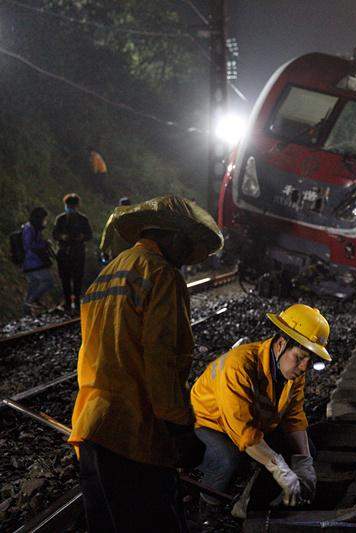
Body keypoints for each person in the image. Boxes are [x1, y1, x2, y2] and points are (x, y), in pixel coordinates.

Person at [69, 195, 223, 532]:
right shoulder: (161, 274)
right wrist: (181, 430)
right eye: (187, 246)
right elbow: (162, 361)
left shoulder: (105, 275)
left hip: (91, 425)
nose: (186, 257)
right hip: (135, 435)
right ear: (174, 236)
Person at [190, 304, 329, 509]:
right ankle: (207, 506)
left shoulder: (293, 373)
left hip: (255, 421)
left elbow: (294, 417)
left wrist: (304, 461)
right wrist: (279, 468)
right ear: (281, 344)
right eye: (300, 358)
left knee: (304, 450)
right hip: (210, 421)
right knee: (227, 457)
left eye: (310, 360)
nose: (304, 368)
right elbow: (244, 432)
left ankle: (251, 506)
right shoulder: (239, 366)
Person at [53, 194, 93, 313]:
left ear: (76, 206)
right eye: (68, 206)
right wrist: (62, 237)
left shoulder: (83, 219)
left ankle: (76, 303)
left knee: (77, 279)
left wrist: (82, 237)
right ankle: (68, 303)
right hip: (64, 253)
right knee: (65, 279)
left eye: (72, 206)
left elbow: (89, 235)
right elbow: (55, 234)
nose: (70, 208)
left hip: (78, 253)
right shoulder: (60, 219)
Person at [21, 207, 55, 315]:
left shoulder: (34, 229)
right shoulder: (29, 228)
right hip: (32, 262)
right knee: (48, 281)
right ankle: (30, 302)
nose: (45, 221)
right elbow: (29, 245)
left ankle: (26, 313)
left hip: (32, 262)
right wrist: (44, 244)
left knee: (33, 285)